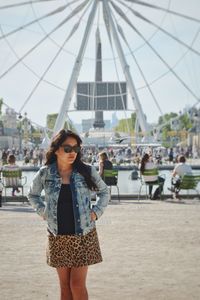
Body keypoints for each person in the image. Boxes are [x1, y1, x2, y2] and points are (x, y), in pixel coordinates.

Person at [28, 129, 109, 300]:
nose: (73, 153)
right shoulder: (45, 173)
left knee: (77, 285)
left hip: (83, 236)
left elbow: (104, 192)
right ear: (56, 149)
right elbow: (32, 195)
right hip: (58, 236)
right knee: (64, 287)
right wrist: (43, 212)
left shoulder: (86, 170)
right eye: (67, 148)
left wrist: (96, 212)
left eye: (76, 149)